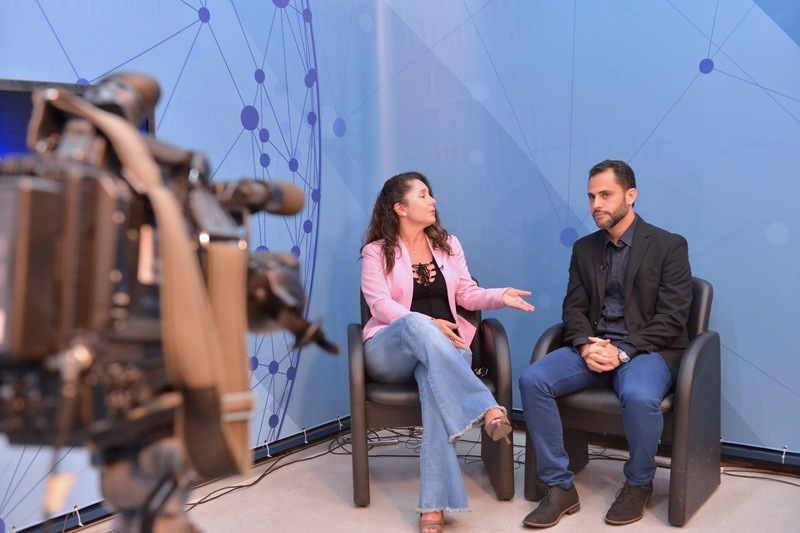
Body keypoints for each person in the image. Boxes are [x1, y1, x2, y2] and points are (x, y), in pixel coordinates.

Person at [519, 159, 692, 528]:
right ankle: (558, 486)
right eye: (591, 196)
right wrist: (585, 346)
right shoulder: (584, 249)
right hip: (594, 346)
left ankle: (638, 484)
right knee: (533, 379)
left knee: (641, 396)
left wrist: (622, 350)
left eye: (605, 195)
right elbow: (573, 308)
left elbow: (673, 317)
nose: (595, 204)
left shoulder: (668, 245)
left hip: (646, 350)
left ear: (630, 195)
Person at [360, 171, 535, 533]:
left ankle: (433, 506)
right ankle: (485, 407)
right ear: (400, 208)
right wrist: (427, 323)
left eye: (431, 194)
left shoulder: (449, 245)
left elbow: (467, 294)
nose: (433, 201)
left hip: (447, 351)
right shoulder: (376, 252)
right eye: (423, 195)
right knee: (416, 323)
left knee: (434, 387)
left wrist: (499, 296)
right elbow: (379, 305)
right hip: (391, 350)